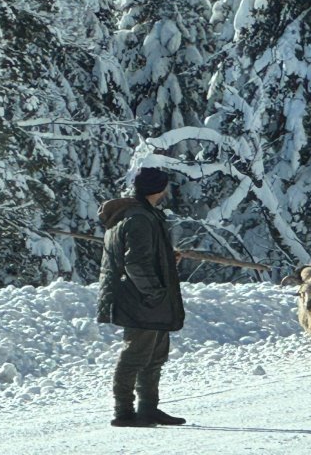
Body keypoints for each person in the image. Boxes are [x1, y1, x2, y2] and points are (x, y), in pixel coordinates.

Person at [96, 168, 186, 428]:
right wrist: (155, 292)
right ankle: (123, 412)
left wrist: (166, 258)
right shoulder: (138, 218)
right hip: (139, 299)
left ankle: (148, 409)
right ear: (159, 189)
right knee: (135, 355)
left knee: (154, 355)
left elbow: (140, 256)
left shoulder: (138, 215)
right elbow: (135, 262)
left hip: (140, 296)